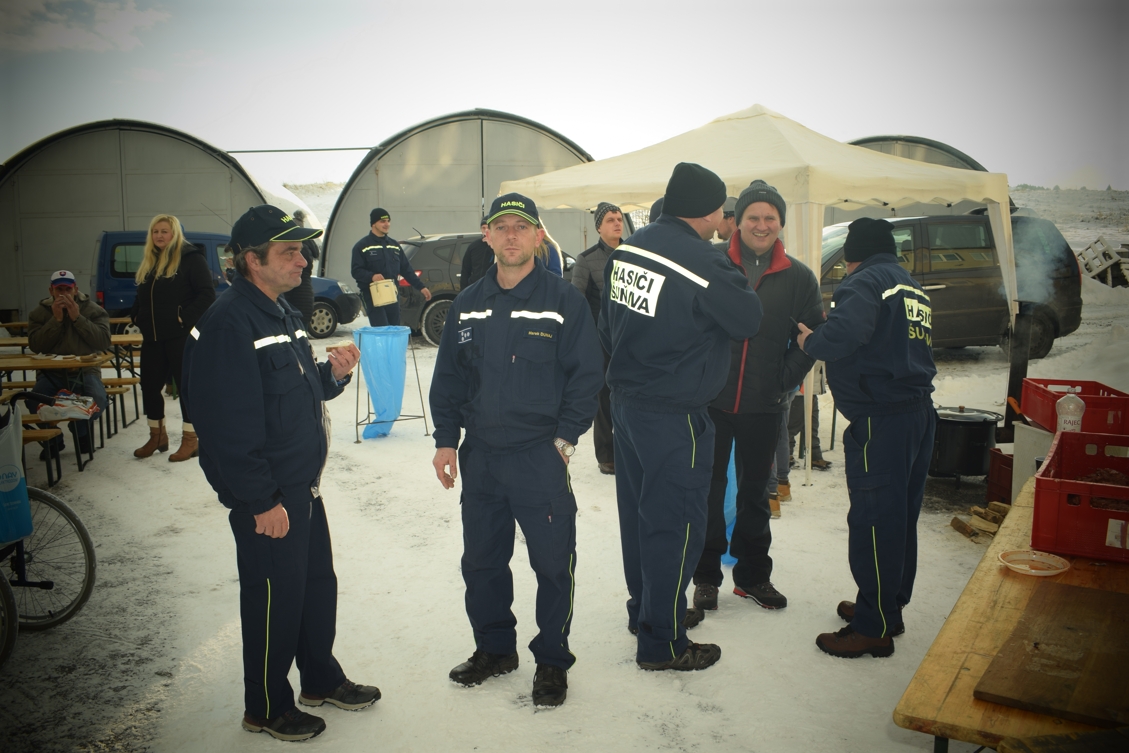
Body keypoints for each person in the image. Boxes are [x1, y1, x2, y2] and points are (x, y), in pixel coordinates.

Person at [182, 205, 378, 741]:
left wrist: (331, 375)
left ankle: (319, 677)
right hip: (269, 495)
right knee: (273, 599)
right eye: (289, 251)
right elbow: (226, 428)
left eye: (302, 250)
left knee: (313, 587)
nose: (302, 260)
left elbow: (290, 389)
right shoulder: (229, 323)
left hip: (301, 486)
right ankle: (266, 706)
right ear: (253, 260)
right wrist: (260, 500)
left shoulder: (280, 311)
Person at [430, 192, 602, 707]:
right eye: (501, 227)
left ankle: (552, 660)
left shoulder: (563, 300)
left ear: (538, 236)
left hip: (538, 457)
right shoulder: (467, 304)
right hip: (481, 456)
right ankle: (495, 648)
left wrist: (565, 440)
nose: (511, 236)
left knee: (552, 564)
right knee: (482, 562)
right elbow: (449, 378)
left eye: (521, 227)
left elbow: (587, 376)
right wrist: (446, 440)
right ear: (487, 235)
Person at [599, 163, 763, 671]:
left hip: (626, 404)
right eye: (722, 210)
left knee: (639, 520)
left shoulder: (629, 248)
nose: (724, 219)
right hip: (674, 415)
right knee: (674, 527)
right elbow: (748, 318)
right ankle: (663, 642)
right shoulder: (703, 259)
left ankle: (646, 612)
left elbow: (609, 323)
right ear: (708, 211)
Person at [797, 217, 937, 659]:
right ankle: (887, 608)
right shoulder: (910, 285)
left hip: (882, 418)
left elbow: (844, 334)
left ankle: (872, 627)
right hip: (917, 413)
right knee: (899, 518)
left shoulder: (865, 281)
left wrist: (812, 341)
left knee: (874, 521)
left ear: (853, 254)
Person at [692, 180, 824, 614]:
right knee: (708, 492)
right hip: (711, 402)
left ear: (781, 223)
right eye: (753, 217)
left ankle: (752, 576)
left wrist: (781, 381)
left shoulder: (798, 277)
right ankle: (705, 576)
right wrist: (700, 378)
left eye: (770, 217)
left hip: (764, 405)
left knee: (754, 495)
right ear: (738, 221)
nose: (761, 225)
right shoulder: (711, 262)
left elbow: (812, 337)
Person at [131, 214, 216, 462]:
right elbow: (141, 295)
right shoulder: (150, 261)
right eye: (155, 231)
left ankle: (190, 439)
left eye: (164, 231)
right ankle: (157, 436)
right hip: (153, 338)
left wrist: (183, 318)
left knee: (186, 388)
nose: (159, 235)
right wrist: (136, 315)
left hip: (180, 337)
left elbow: (207, 295)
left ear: (175, 233)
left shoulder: (191, 259)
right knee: (149, 387)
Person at [25, 270, 112, 458]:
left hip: (84, 371)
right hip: (51, 373)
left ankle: (80, 431)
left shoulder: (93, 310)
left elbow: (103, 342)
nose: (64, 294)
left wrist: (78, 318)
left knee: (98, 399)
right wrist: (55, 320)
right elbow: (36, 345)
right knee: (33, 400)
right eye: (59, 290)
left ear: (75, 289)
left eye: (68, 289)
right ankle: (53, 439)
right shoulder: (39, 313)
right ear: (51, 291)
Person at [572, 202, 622, 475]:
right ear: (599, 227)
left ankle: (627, 448)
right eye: (611, 220)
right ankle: (606, 454)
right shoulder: (587, 259)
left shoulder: (634, 254)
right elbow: (577, 302)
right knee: (603, 399)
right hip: (601, 342)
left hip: (629, 340)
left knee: (627, 396)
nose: (617, 223)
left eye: (619, 219)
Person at [350, 208, 431, 326]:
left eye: (388, 221)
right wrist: (372, 276)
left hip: (392, 294)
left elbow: (406, 269)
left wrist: (421, 287)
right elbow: (356, 271)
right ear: (373, 224)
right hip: (372, 295)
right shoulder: (362, 246)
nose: (387, 224)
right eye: (382, 221)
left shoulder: (394, 245)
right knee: (381, 329)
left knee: (394, 328)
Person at [281, 209, 320, 329]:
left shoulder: (299, 247)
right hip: (306, 296)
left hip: (296, 299)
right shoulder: (309, 245)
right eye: (290, 253)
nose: (302, 262)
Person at [459, 217, 494, 288]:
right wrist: (464, 291)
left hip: (491, 287)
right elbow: (465, 271)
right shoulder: (474, 246)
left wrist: (491, 246)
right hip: (475, 287)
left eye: (488, 227)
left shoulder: (498, 246)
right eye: (483, 228)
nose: (485, 230)